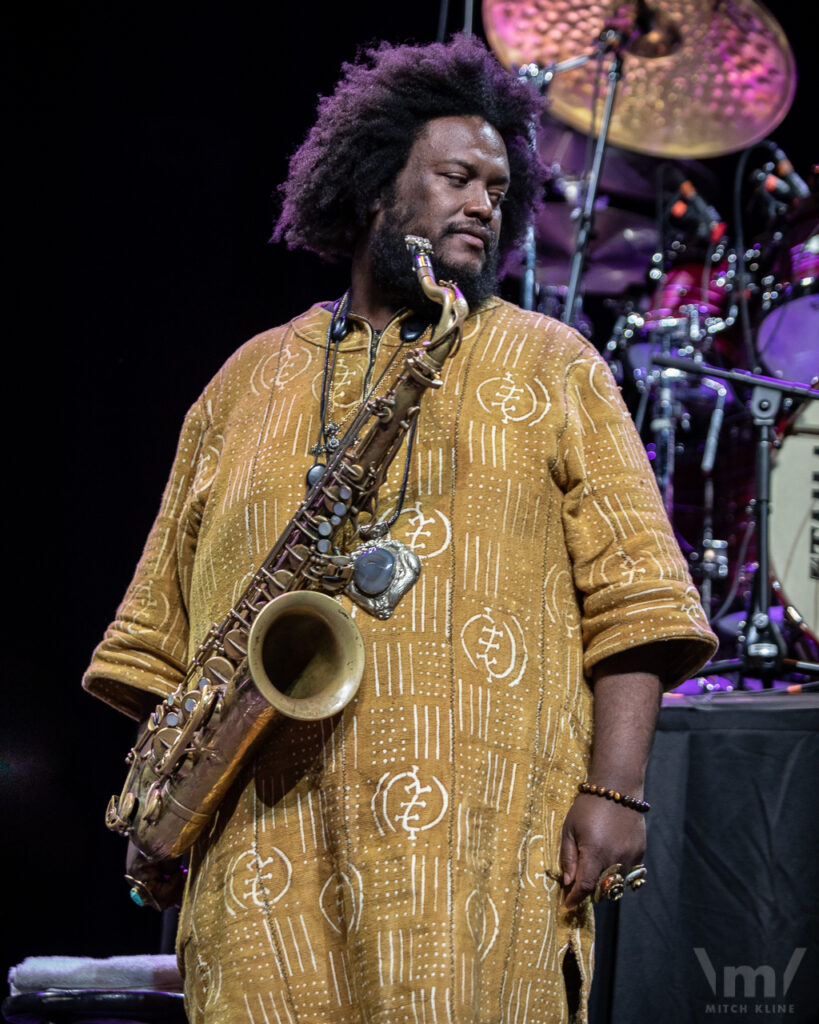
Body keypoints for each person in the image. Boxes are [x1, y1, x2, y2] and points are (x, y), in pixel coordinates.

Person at [84, 34, 717, 1024]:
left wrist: (620, 793)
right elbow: (168, 631)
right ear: (376, 185)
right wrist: (167, 797)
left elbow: (636, 600)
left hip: (478, 858)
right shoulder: (243, 381)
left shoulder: (555, 365)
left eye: (498, 190)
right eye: (458, 176)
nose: (483, 204)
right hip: (263, 856)